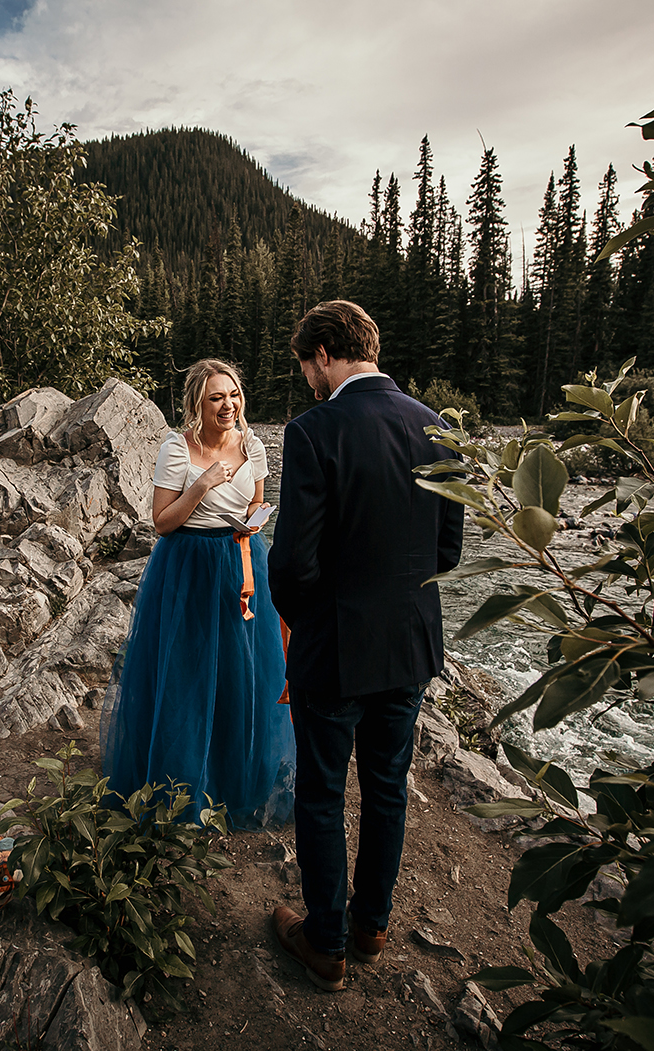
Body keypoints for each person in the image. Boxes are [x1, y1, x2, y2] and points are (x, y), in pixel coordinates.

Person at [266, 300, 464, 992]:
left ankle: (326, 942)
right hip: (409, 645)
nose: (307, 381)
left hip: (337, 647)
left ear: (324, 353)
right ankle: (372, 924)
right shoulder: (438, 427)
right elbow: (449, 550)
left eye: (305, 367)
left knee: (321, 794)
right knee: (387, 787)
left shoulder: (314, 430)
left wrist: (309, 622)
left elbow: (290, 563)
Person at [99, 358, 296, 831]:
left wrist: (254, 521)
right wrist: (203, 484)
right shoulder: (176, 448)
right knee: (187, 675)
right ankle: (181, 791)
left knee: (242, 673)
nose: (228, 405)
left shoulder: (253, 446)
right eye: (216, 398)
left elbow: (256, 502)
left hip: (242, 563)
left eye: (233, 396)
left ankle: (235, 783)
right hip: (188, 567)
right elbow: (162, 522)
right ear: (197, 404)